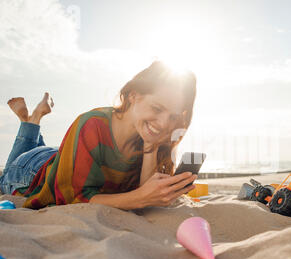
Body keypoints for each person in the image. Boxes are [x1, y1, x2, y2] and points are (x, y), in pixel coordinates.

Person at [0, 61, 198, 210]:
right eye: (156, 108)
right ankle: (31, 121)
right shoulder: (92, 124)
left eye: (172, 116)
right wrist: (139, 198)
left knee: (52, 153)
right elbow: (73, 197)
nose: (164, 124)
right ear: (133, 95)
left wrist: (151, 146)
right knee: (5, 176)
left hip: (69, 153)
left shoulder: (152, 133)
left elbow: (146, 193)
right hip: (32, 170)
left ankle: (31, 120)